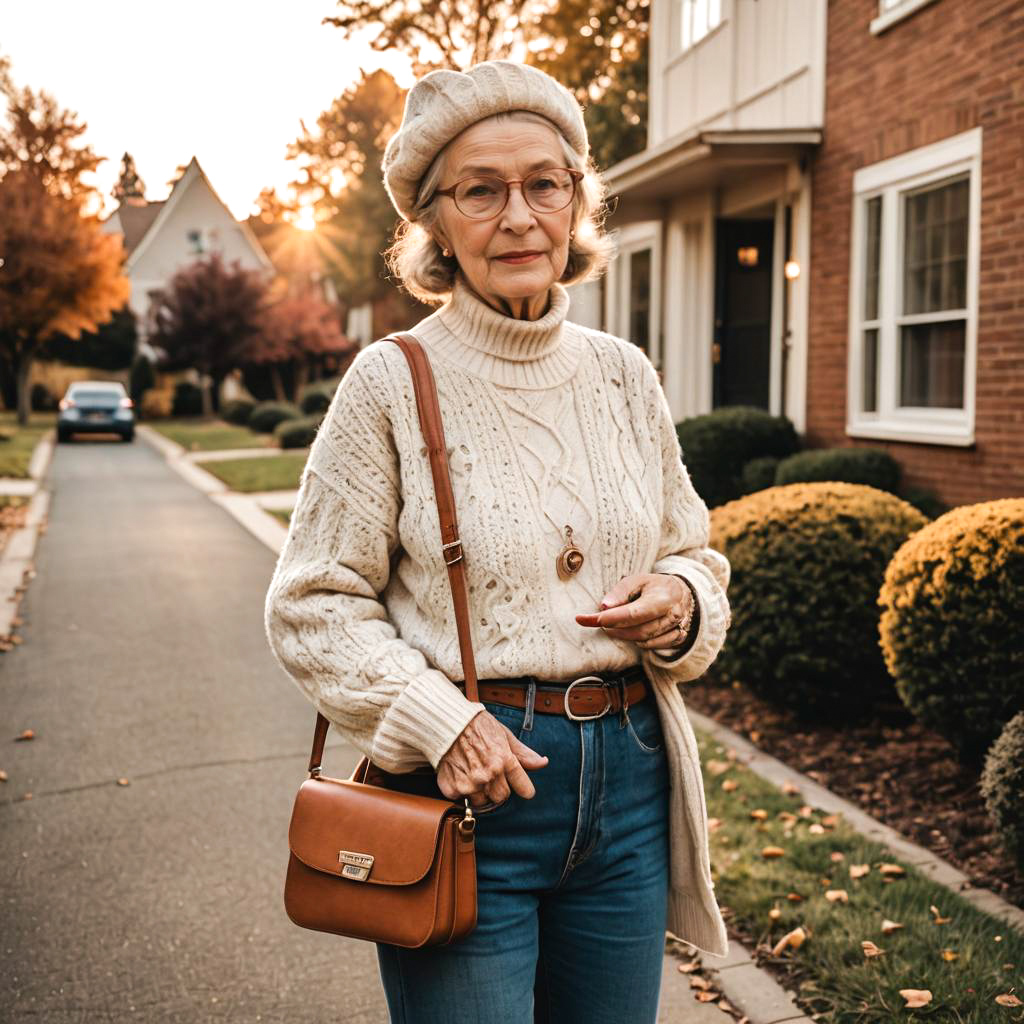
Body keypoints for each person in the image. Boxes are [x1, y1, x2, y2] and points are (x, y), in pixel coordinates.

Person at [264, 59, 732, 1024]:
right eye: (482, 190)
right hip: (467, 790)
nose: (519, 216)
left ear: (575, 204)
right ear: (434, 223)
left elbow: (697, 551)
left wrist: (684, 601)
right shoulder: (391, 381)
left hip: (632, 778)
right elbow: (312, 603)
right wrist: (442, 721)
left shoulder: (623, 375)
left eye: (544, 184)